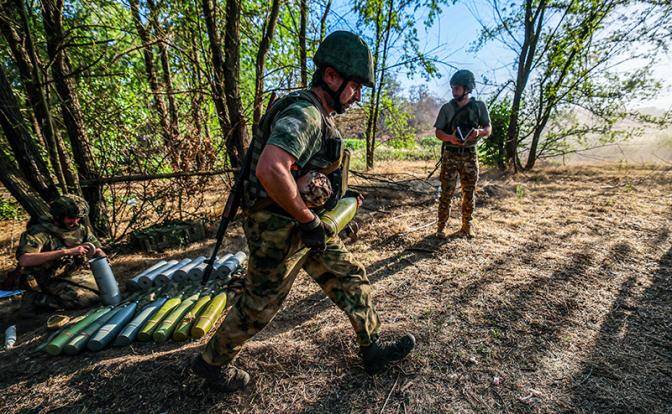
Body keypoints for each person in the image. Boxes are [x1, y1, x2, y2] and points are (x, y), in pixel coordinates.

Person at [191, 31, 415, 392]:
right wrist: (308, 219)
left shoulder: (317, 114)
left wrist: (325, 214)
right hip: (279, 228)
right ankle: (210, 363)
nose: (358, 95)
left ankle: (371, 349)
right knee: (260, 305)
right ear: (330, 76)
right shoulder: (305, 113)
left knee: (350, 276)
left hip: (303, 225)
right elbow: (271, 168)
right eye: (355, 85)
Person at [15, 195, 106, 310]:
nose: (75, 221)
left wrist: (100, 256)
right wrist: (65, 252)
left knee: (106, 290)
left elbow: (96, 248)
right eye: (71, 217)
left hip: (73, 273)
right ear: (58, 216)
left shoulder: (80, 228)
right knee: (82, 300)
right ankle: (34, 300)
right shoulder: (39, 232)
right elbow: (25, 260)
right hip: (48, 279)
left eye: (78, 217)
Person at [434, 69, 492, 238]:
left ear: (467, 89)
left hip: (470, 155)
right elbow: (438, 132)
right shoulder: (447, 108)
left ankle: (467, 227)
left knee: (469, 192)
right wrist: (450, 138)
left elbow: (488, 129)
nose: (453, 91)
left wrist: (478, 132)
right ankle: (441, 228)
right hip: (450, 155)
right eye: (452, 88)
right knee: (446, 192)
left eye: (457, 88)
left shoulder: (479, 107)